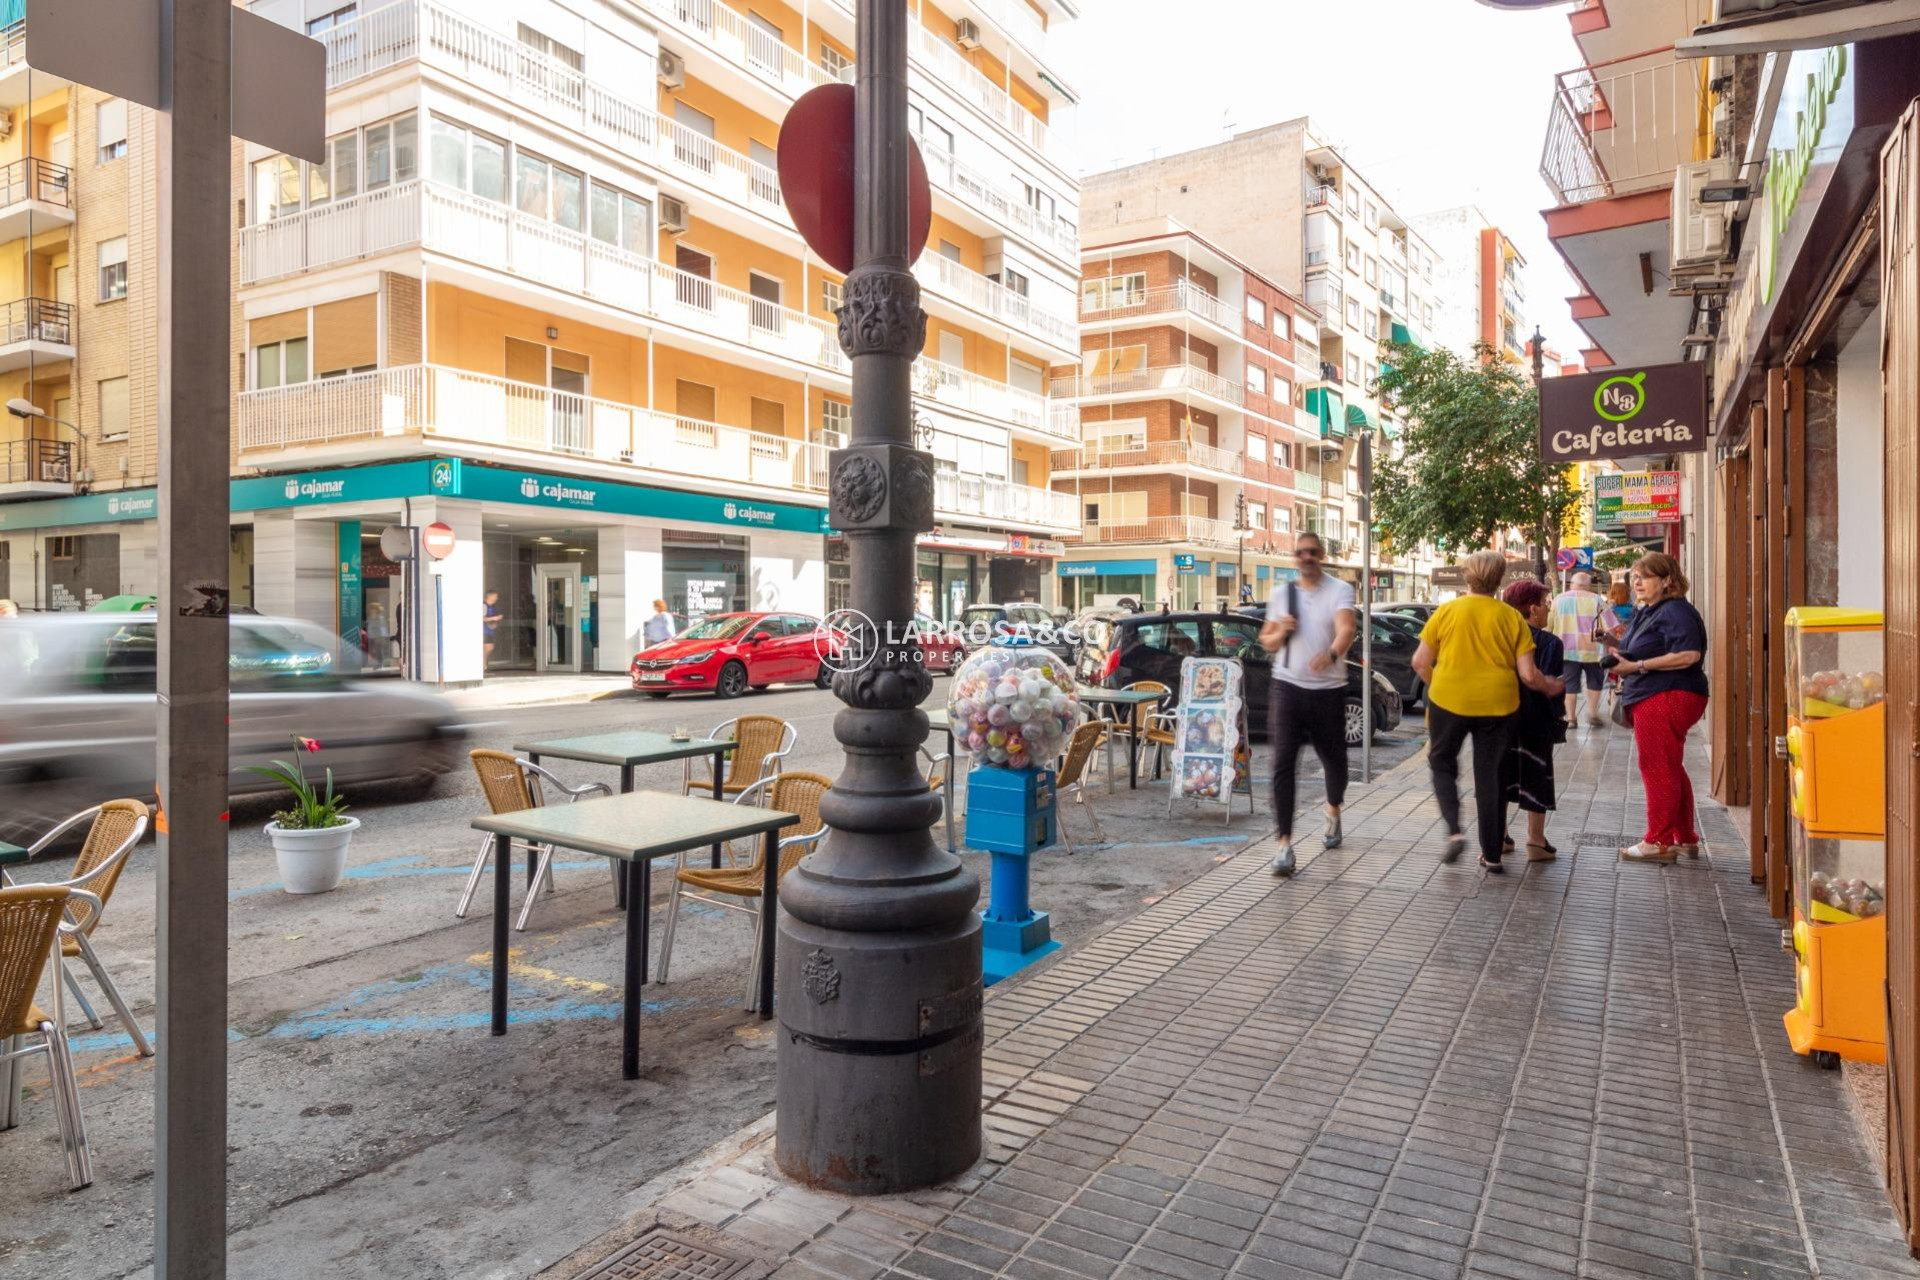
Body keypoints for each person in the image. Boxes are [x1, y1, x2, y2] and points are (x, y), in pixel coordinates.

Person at [1411, 550, 1564, 873]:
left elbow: (1420, 662)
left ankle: (1455, 831)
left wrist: (1440, 686)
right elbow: (1528, 674)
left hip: (1449, 701)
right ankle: (1492, 855)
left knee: (1442, 762)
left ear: (1467, 577)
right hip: (1499, 703)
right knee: (1491, 776)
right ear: (1499, 579)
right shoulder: (1510, 617)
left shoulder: (1447, 611)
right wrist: (1548, 685)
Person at [1258, 531, 1357, 878]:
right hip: (1286, 687)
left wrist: (1331, 654)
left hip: (1329, 690)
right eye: (1301, 552)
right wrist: (1281, 631)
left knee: (1336, 762)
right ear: (1295, 556)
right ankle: (1284, 845)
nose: (1307, 557)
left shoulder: (1340, 590)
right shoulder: (1282, 594)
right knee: (1282, 764)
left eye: (1312, 552)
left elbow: (1347, 629)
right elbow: (1267, 641)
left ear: (1322, 554)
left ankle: (1333, 810)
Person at [1612, 553, 1710, 863]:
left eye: (1645, 577)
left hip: (1666, 694)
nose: (1637, 583)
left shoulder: (1675, 610)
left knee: (1657, 767)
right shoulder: (1651, 610)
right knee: (1670, 766)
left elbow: (1689, 654)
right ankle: (1684, 837)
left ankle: (1658, 841)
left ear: (1667, 580)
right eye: (1635, 577)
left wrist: (1637, 666)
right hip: (1659, 693)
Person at [1500, 580, 1566, 861]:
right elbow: (1549, 685)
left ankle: (1498, 837)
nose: (1548, 608)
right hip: (1536, 720)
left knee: (1499, 775)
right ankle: (1535, 840)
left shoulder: (1498, 637)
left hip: (1500, 718)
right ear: (1532, 608)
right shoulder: (1549, 643)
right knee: (1537, 773)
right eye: (1545, 603)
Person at [1551, 571, 1606, 728]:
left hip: (1567, 649)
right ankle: (1593, 713)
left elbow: (1549, 624)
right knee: (1595, 682)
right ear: (1588, 585)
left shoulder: (1558, 600)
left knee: (1569, 685)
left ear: (1572, 584)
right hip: (1593, 650)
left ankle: (1571, 718)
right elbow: (1608, 624)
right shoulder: (1597, 600)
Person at [482, 590, 503, 662]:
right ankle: (484, 663)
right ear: (490, 596)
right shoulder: (484, 606)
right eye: (495, 596)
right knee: (489, 647)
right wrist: (494, 618)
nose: (497, 598)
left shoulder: (492, 606)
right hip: (484, 630)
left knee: (489, 647)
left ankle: (484, 663)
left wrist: (497, 618)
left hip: (489, 630)